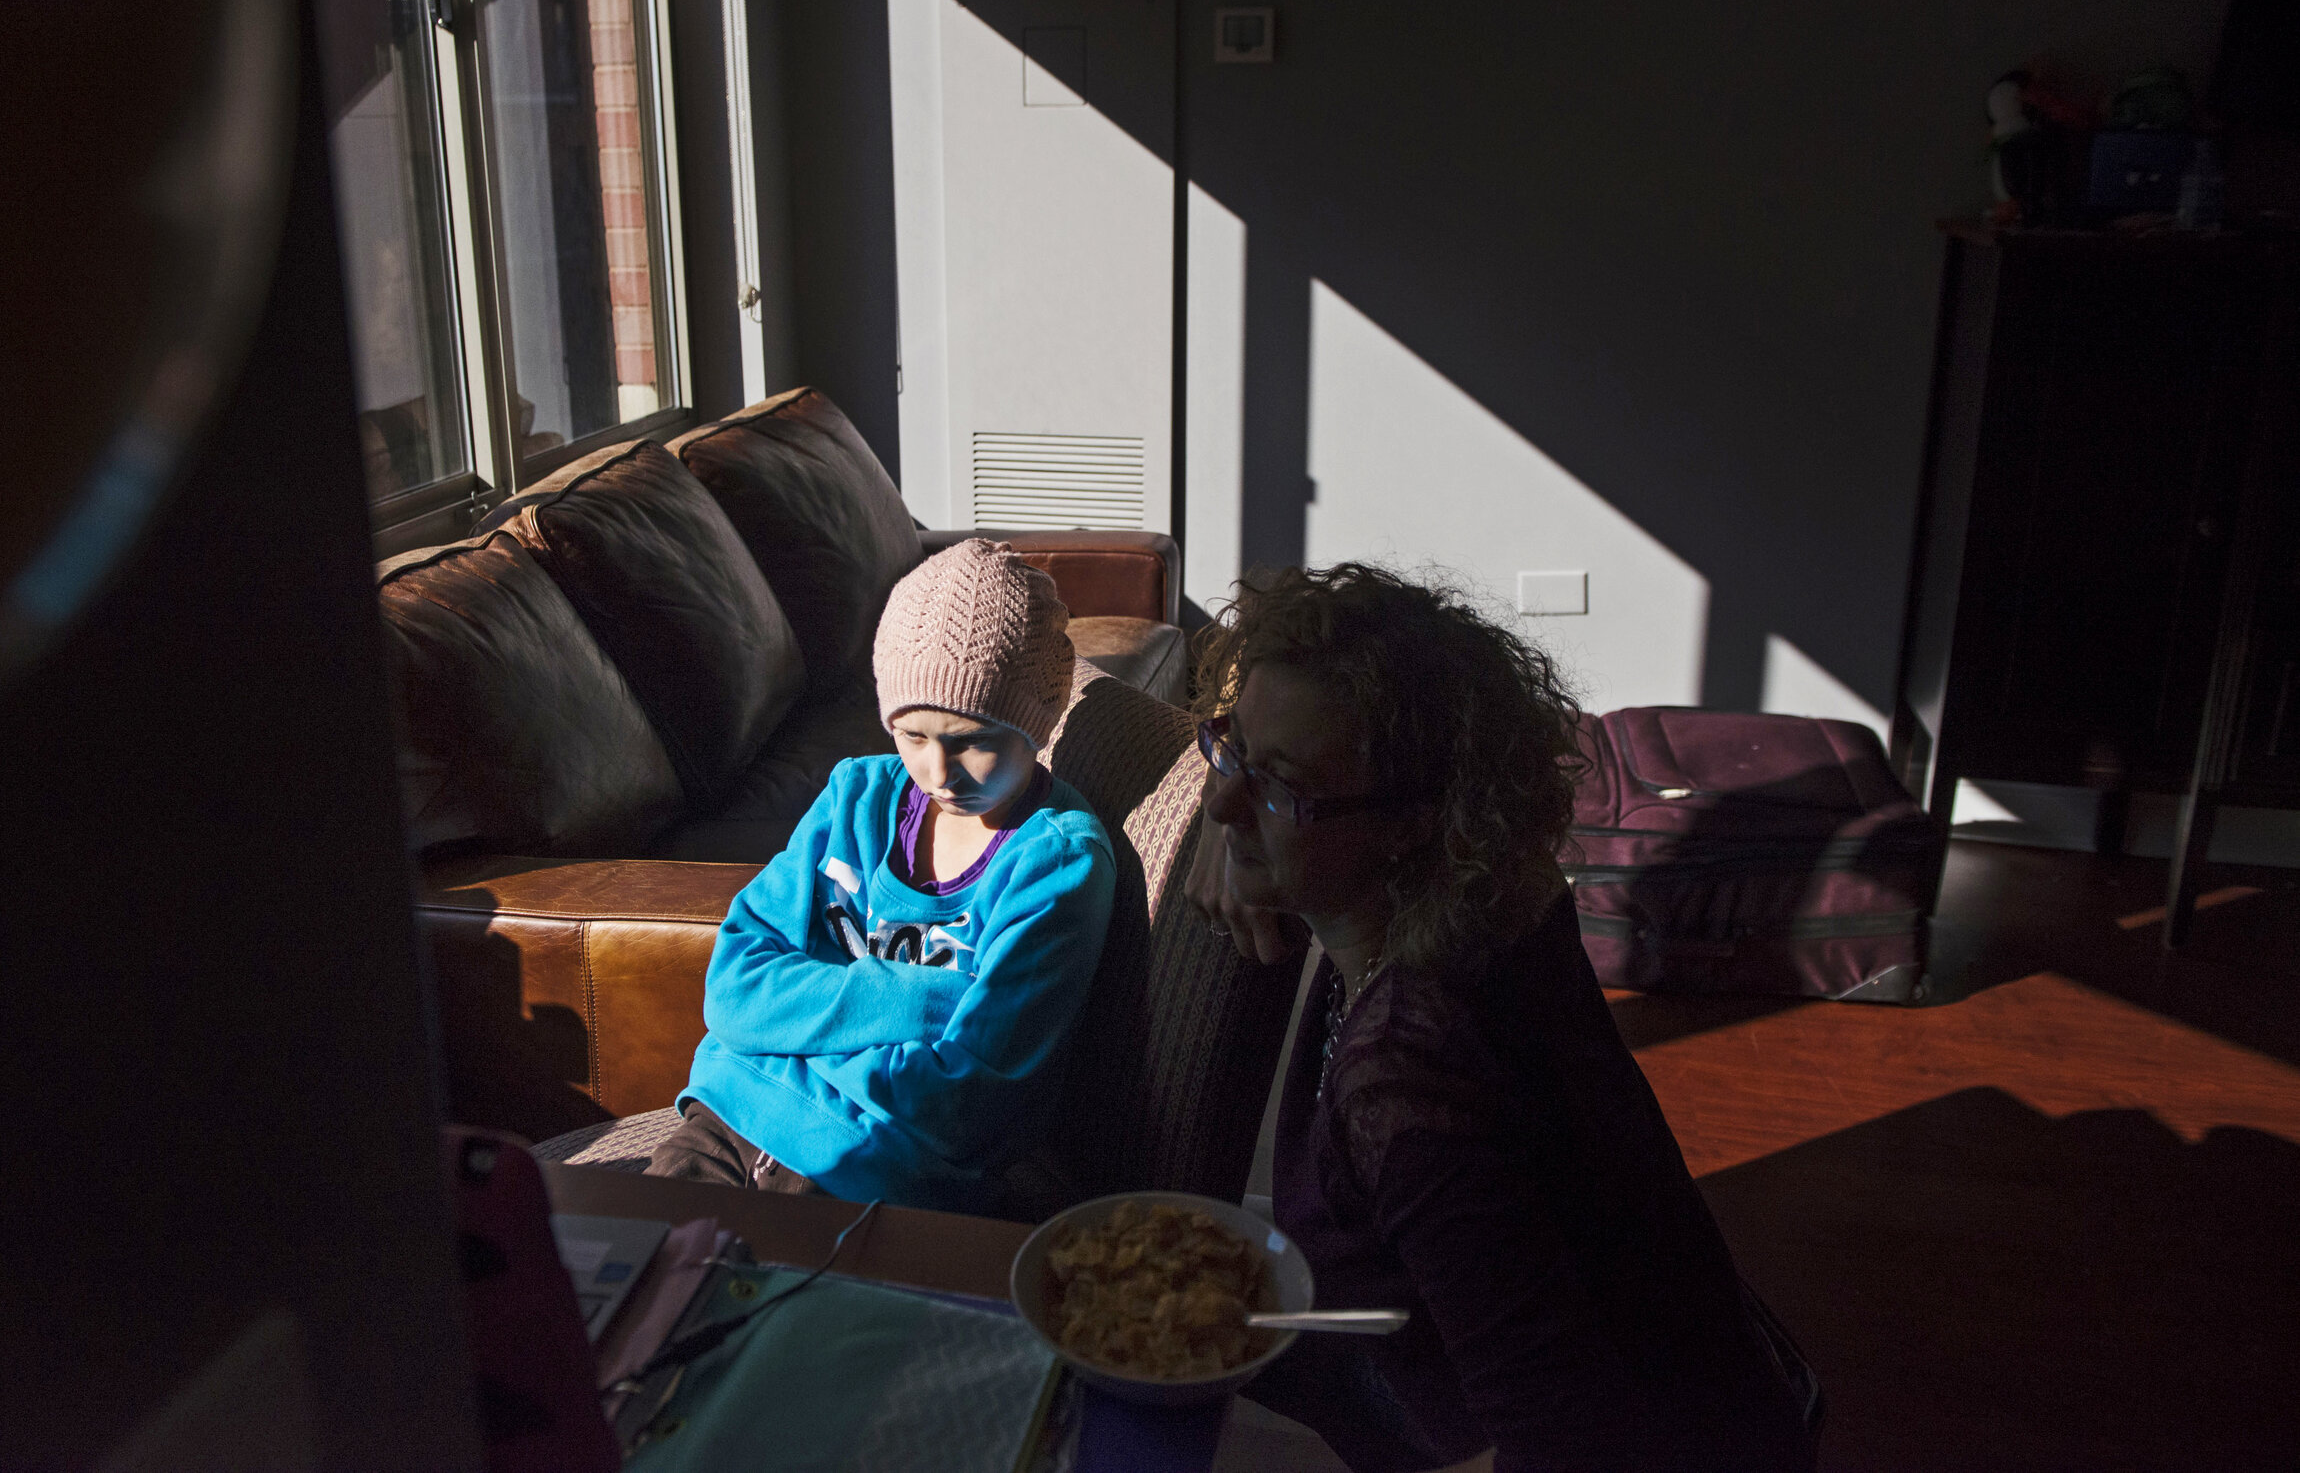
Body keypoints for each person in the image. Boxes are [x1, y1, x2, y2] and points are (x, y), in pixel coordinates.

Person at [1186, 563, 1816, 1473]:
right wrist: (1251, 819)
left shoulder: (1402, 1081)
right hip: (1721, 1386)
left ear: (1413, 823)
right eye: (1229, 748)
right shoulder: (1503, 896)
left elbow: (1562, 1446)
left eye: (1278, 785)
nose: (1220, 799)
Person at [654, 538, 1118, 1213]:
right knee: (625, 1281)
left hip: (873, 1164)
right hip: (726, 1116)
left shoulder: (1057, 862)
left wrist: (792, 1038)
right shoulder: (854, 797)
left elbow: (969, 1096)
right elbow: (732, 993)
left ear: (1035, 723)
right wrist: (926, 1000)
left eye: (972, 740)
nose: (936, 773)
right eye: (911, 735)